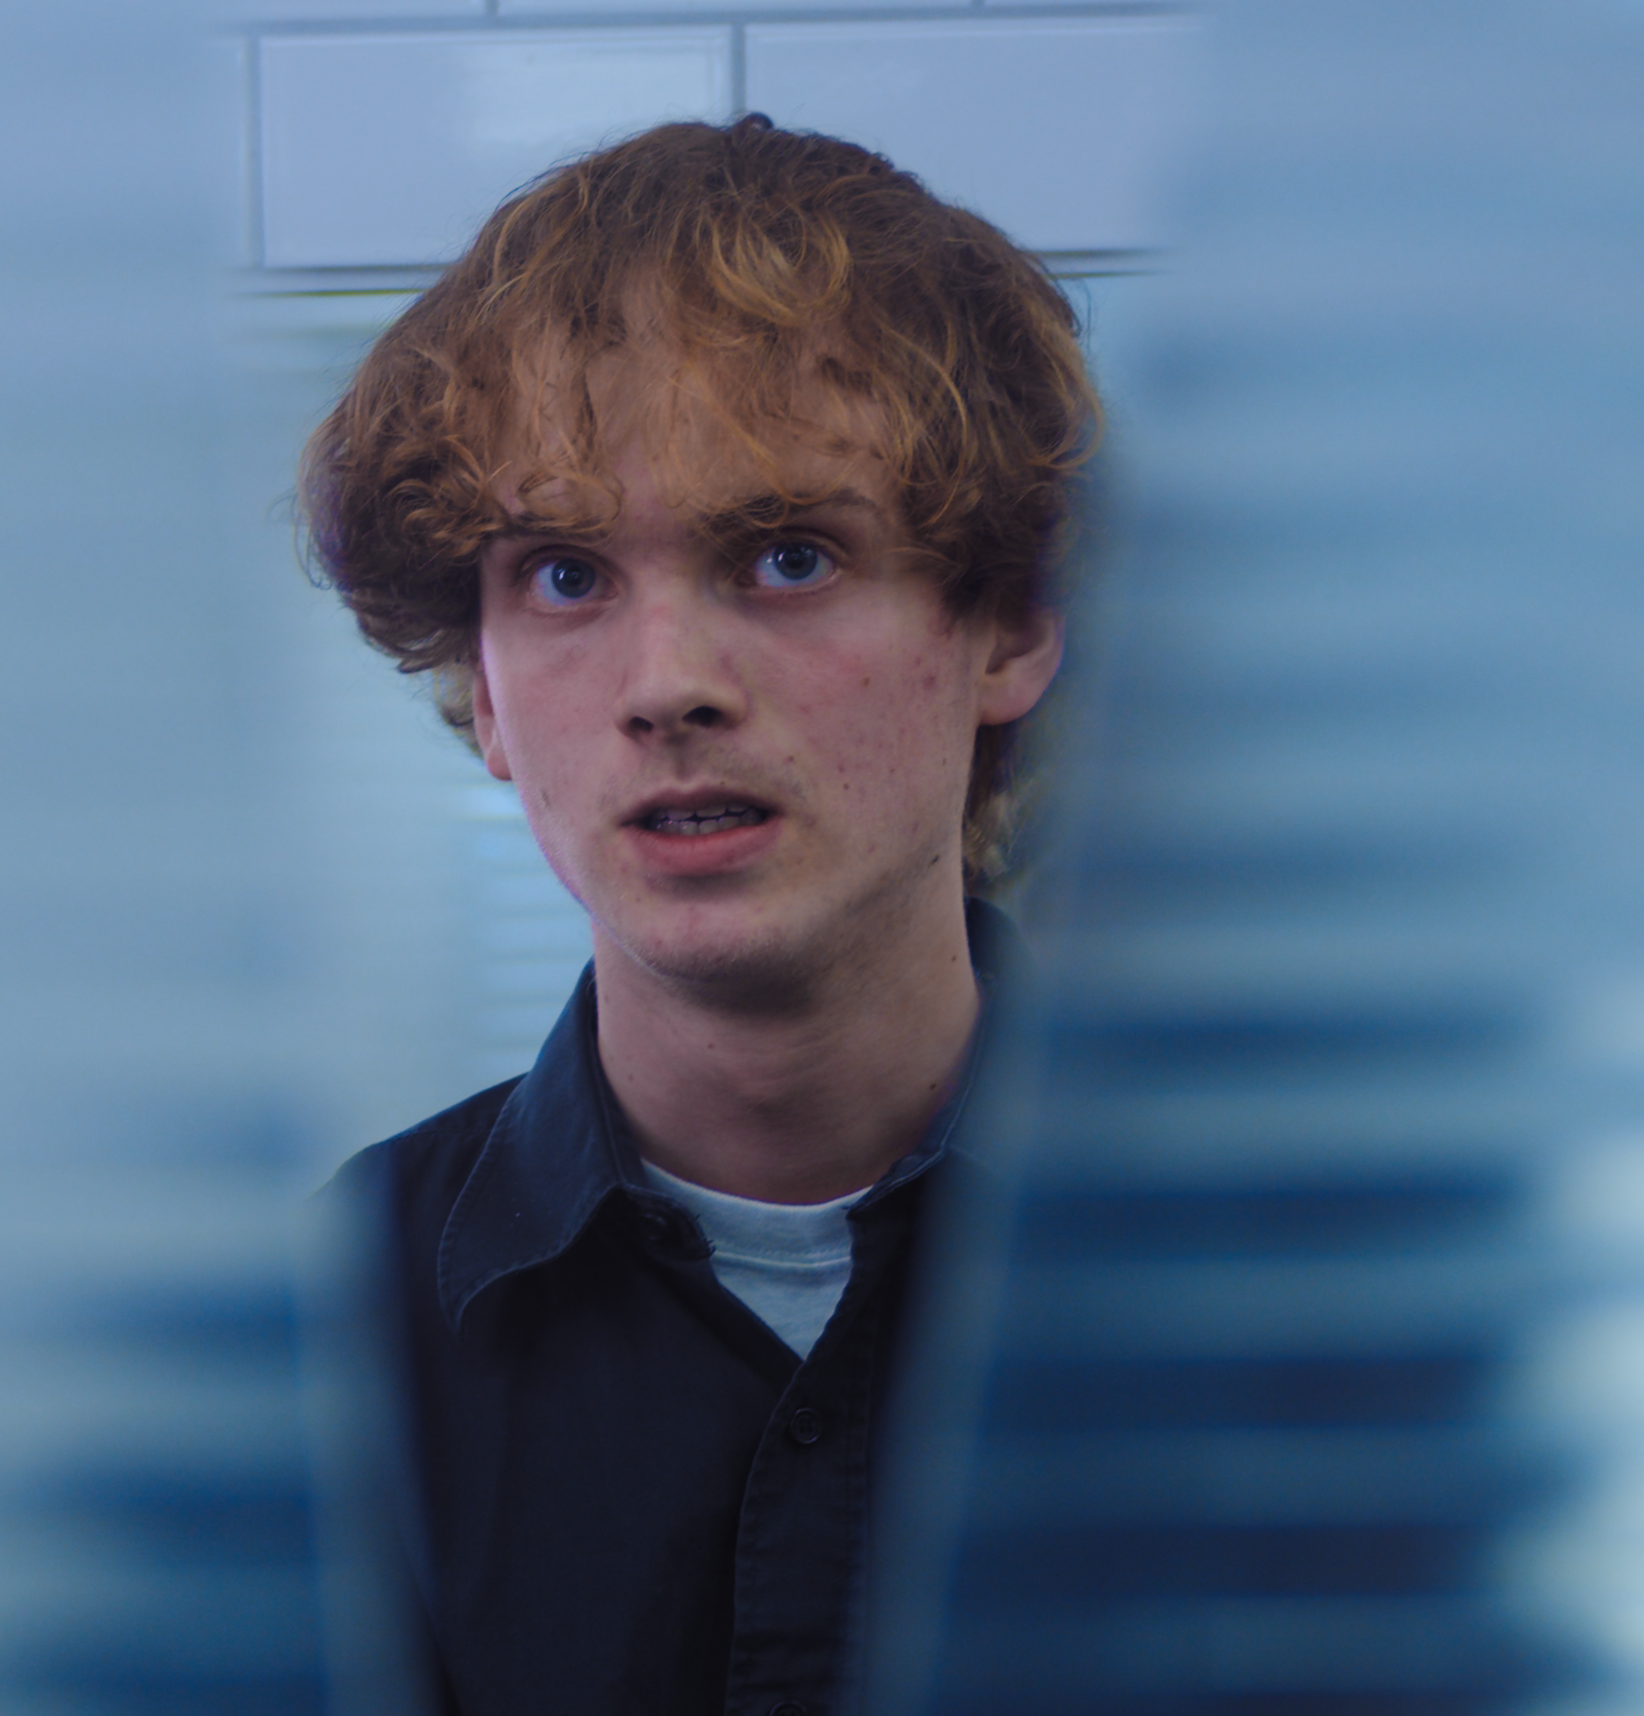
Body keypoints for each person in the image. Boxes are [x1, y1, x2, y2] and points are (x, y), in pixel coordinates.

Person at [302, 114, 1097, 1716]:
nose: (667, 685)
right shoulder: (320, 1336)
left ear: (1006, 629)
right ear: (486, 694)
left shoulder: (1276, 1294)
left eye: (788, 556)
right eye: (565, 576)